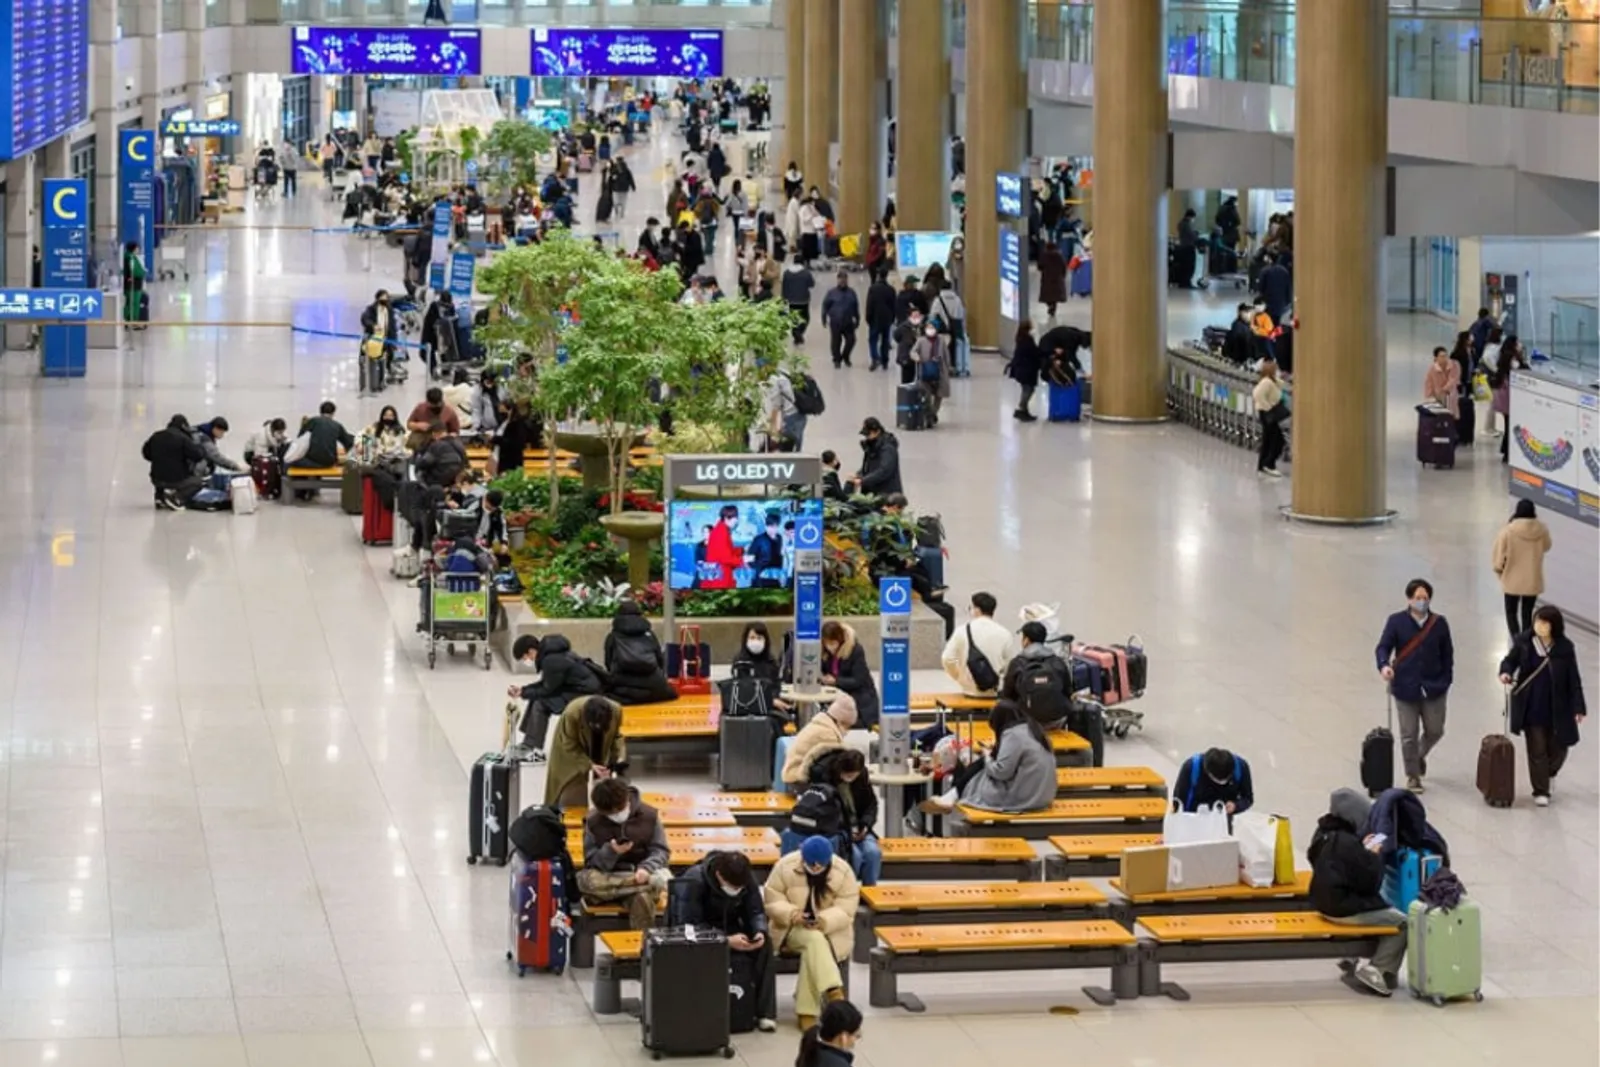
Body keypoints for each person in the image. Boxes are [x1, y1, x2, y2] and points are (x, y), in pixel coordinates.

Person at [1308, 788, 1408, 997]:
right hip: (1342, 907)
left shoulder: (1323, 833)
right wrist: (1372, 856)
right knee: (1401, 922)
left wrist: (1360, 851)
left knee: (1377, 914)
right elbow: (1369, 883)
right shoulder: (1348, 844)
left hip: (1321, 901)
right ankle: (1379, 970)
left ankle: (1350, 957)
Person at [671, 851, 778, 1033]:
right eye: (732, 886)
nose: (736, 890)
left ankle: (764, 1013)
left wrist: (759, 931)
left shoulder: (745, 879)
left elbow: (755, 911)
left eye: (740, 887)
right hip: (700, 934)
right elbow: (687, 927)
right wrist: (725, 940)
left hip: (733, 928)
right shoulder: (694, 881)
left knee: (765, 946)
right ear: (719, 876)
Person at [761, 836, 858, 1031]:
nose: (815, 869)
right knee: (814, 940)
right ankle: (833, 991)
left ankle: (807, 1012)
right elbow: (772, 901)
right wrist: (793, 914)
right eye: (810, 865)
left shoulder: (843, 871)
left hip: (829, 931)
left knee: (813, 945)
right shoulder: (784, 866)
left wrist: (823, 921)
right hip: (790, 928)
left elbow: (847, 908)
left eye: (819, 865)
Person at [1498, 605, 1587, 807]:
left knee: (1561, 747)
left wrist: (1578, 707)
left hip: (1558, 707)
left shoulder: (1564, 649)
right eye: (1538, 621)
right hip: (1532, 706)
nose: (1540, 626)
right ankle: (1541, 789)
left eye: (1545, 623)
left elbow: (1574, 679)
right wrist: (1505, 672)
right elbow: (1510, 661)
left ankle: (1548, 773)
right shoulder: (1524, 643)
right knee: (1536, 749)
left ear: (1554, 626)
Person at [1374, 579, 1454, 793]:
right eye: (1417, 598)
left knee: (1435, 730)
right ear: (1409, 599)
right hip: (1405, 687)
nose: (1421, 601)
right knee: (1408, 734)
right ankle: (1413, 775)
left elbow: (1448, 654)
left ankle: (1418, 756)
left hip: (1434, 687)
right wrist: (1384, 666)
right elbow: (1383, 647)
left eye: (1425, 598)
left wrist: (1446, 680)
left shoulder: (1439, 624)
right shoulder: (1396, 622)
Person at [576, 778, 670, 929]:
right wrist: (611, 852)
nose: (616, 815)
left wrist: (646, 868)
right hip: (609, 877)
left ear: (627, 800)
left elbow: (660, 850)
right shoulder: (593, 822)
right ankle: (648, 885)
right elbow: (591, 861)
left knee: (642, 899)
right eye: (610, 814)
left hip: (640, 874)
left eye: (619, 811)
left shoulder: (649, 816)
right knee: (586, 881)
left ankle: (643, 948)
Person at [935, 700, 1057, 816]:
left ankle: (952, 794)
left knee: (981, 766)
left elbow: (1001, 772)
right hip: (1044, 796)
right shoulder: (1033, 729)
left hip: (1023, 798)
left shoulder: (1013, 734)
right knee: (981, 763)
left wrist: (987, 756)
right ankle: (952, 795)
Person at [786, 749, 881, 887]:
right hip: (835, 831)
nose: (849, 777)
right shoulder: (823, 778)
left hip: (859, 828)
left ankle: (869, 891)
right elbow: (823, 815)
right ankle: (846, 891)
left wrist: (865, 825)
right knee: (855, 857)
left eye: (853, 774)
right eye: (846, 774)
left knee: (873, 853)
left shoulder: (861, 777)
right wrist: (847, 832)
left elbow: (871, 804)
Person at [508, 633, 603, 765]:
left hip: (585, 695)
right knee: (536, 698)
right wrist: (523, 690)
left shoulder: (551, 661)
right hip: (577, 691)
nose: (527, 661)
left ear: (530, 651)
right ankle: (529, 744)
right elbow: (548, 684)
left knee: (540, 703)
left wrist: (524, 693)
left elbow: (547, 689)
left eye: (525, 657)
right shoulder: (553, 655)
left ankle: (536, 750)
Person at [543, 694, 626, 809]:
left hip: (600, 745)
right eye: (595, 725)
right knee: (572, 790)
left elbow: (617, 737)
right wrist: (589, 765)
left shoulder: (616, 710)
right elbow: (570, 746)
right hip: (570, 751)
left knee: (607, 792)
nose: (598, 727)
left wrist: (617, 759)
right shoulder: (572, 714)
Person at [1492, 499, 1552, 640]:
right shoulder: (1542, 530)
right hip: (1532, 580)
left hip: (1512, 580)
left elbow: (1498, 558)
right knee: (1527, 612)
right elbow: (1547, 546)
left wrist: (1499, 570)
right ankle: (1526, 640)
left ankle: (1516, 640)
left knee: (1511, 612)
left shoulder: (1508, 531)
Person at [999, 621, 1072, 726]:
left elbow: (1007, 695)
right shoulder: (1057, 662)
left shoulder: (1017, 663)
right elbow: (1068, 692)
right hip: (1056, 721)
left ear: (1026, 640)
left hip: (1025, 722)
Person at [941, 592, 1015, 696]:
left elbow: (947, 658)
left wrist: (959, 677)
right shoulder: (1005, 633)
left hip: (968, 690)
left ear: (977, 610)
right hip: (994, 689)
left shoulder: (962, 631)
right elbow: (1010, 664)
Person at [602, 601, 676, 705]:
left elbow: (608, 662)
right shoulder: (649, 634)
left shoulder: (613, 637)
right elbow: (659, 659)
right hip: (654, 685)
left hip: (623, 687)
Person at [781, 693, 859, 786]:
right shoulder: (827, 734)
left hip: (793, 774)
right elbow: (837, 766)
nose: (847, 731)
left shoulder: (820, 724)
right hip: (798, 779)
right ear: (839, 721)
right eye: (847, 726)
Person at [820, 621, 879, 729]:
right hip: (837, 696)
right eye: (827, 643)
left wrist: (835, 681)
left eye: (832, 643)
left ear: (840, 639)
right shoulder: (825, 652)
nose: (830, 647)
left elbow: (858, 680)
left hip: (860, 700)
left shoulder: (855, 650)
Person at [142, 414, 206, 510]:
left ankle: (159, 497)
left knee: (161, 471)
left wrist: (158, 459)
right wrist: (200, 447)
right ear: (184, 426)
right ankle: (176, 497)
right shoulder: (183, 438)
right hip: (176, 480)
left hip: (156, 479)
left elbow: (146, 453)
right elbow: (198, 456)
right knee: (199, 482)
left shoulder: (156, 436)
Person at [1172, 747, 1255, 814]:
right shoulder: (1191, 768)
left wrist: (1236, 806)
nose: (1221, 783)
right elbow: (1178, 801)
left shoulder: (1241, 768)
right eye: (1218, 781)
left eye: (1225, 781)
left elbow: (1248, 798)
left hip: (1221, 819)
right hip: (1193, 818)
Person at [796, 1000, 864, 1067]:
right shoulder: (837, 1064)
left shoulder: (810, 1044)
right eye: (856, 1035)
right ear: (843, 1037)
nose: (856, 1040)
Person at [849, 418, 902, 498]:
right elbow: (869, 466)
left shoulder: (887, 448)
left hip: (886, 494)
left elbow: (885, 470)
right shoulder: (872, 445)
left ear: (877, 431)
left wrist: (863, 481)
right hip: (873, 491)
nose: (866, 437)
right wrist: (859, 474)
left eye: (868, 434)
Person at [295, 401, 355, 470]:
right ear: (333, 413)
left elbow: (299, 439)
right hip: (329, 462)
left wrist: (303, 425)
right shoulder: (337, 425)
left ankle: (289, 479)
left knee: (291, 460)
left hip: (312, 460)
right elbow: (349, 443)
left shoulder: (312, 421)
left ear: (320, 412)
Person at [1254, 357, 1287, 478]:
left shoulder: (1270, 381)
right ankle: (1269, 464)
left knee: (1268, 440)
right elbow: (1257, 394)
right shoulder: (1266, 382)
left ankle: (1262, 464)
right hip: (1267, 413)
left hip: (1267, 413)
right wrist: (1268, 408)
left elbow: (1280, 383)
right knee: (1277, 440)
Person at [820, 273, 860, 369]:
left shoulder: (852, 293)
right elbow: (825, 306)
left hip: (848, 321)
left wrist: (857, 319)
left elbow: (855, 306)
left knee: (851, 340)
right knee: (836, 342)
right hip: (835, 321)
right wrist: (824, 318)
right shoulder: (831, 293)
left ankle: (845, 356)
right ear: (837, 280)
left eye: (844, 279)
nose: (843, 281)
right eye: (841, 279)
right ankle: (837, 359)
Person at [1008, 320, 1044, 421]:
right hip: (1027, 369)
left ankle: (1024, 411)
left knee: (1026, 389)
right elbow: (1033, 352)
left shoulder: (1020, 338)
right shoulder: (1027, 340)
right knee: (1028, 389)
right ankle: (1021, 408)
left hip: (1021, 369)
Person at [416, 421, 468, 489]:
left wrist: (418, 460)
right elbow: (465, 462)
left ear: (434, 433)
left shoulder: (436, 446)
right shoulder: (459, 443)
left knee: (420, 473)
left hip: (437, 481)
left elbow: (424, 463)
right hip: (455, 481)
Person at [864, 271, 896, 371]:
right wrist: (892, 318)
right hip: (887, 319)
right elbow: (894, 306)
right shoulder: (891, 290)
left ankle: (875, 358)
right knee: (885, 341)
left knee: (873, 339)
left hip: (875, 318)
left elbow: (869, 304)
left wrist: (868, 318)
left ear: (878, 276)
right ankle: (885, 361)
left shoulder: (873, 289)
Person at [782, 255, 816, 345]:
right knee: (805, 318)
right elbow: (812, 284)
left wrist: (784, 299)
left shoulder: (786, 273)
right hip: (803, 300)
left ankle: (796, 333)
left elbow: (783, 286)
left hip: (790, 300)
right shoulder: (806, 273)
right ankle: (799, 333)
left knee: (793, 319)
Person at [1422, 346, 1460, 422]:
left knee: (1451, 415)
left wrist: (1445, 389)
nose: (1444, 358)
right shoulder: (1432, 369)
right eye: (1442, 356)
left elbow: (1453, 379)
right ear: (1436, 358)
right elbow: (1428, 383)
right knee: (1438, 416)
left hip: (1450, 394)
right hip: (1437, 396)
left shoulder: (1454, 365)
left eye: (1445, 356)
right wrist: (1429, 396)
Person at [1257, 254, 1293, 324]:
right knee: (1277, 321)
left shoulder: (1265, 271)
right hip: (1280, 303)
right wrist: (1289, 300)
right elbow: (1288, 287)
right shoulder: (1284, 270)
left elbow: (1261, 287)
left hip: (1268, 302)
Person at [1037, 241, 1067, 317]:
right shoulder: (1059, 255)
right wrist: (1063, 275)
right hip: (1057, 278)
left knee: (1047, 295)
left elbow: (1040, 266)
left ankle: (1050, 305)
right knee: (1055, 296)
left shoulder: (1044, 255)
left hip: (1047, 278)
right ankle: (1053, 308)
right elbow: (1064, 266)